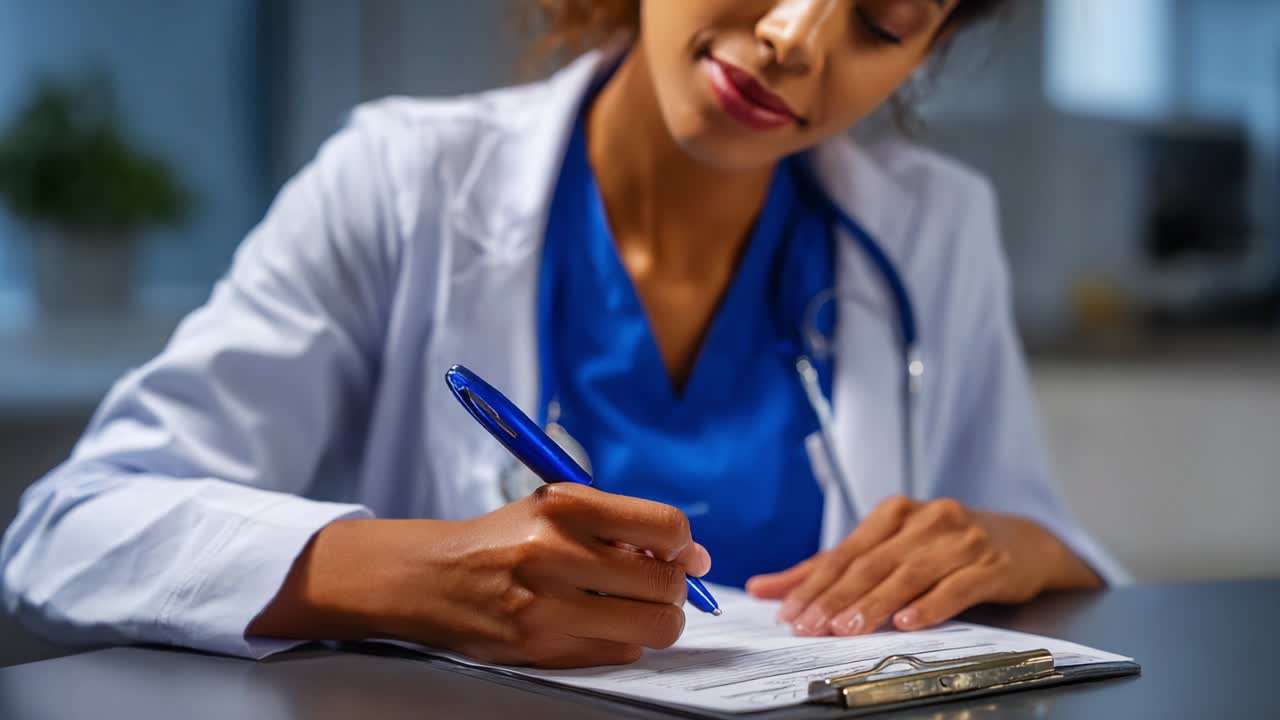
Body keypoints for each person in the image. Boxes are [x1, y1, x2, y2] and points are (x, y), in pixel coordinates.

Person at [1, 0, 1127, 669]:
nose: (795, 37)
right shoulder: (402, 183)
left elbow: (1035, 535)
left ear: (921, 52)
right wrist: (417, 573)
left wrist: (1008, 545)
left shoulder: (933, 225)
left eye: (882, 18)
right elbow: (70, 529)